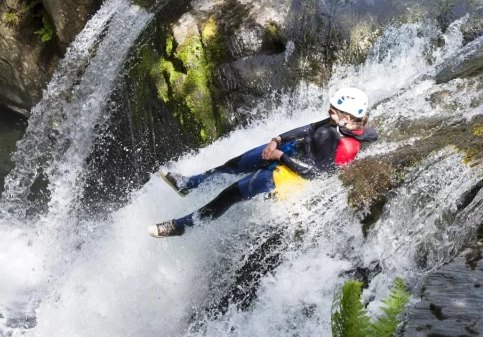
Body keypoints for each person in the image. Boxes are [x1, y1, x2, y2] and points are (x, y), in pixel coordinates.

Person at [147, 87, 378, 238]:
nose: (329, 112)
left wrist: (280, 157)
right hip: (289, 150)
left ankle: (181, 226)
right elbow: (310, 128)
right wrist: (276, 140)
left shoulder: (346, 147)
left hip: (288, 175)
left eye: (333, 111)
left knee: (229, 195)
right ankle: (189, 184)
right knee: (232, 165)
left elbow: (314, 173)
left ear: (347, 118)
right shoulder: (337, 122)